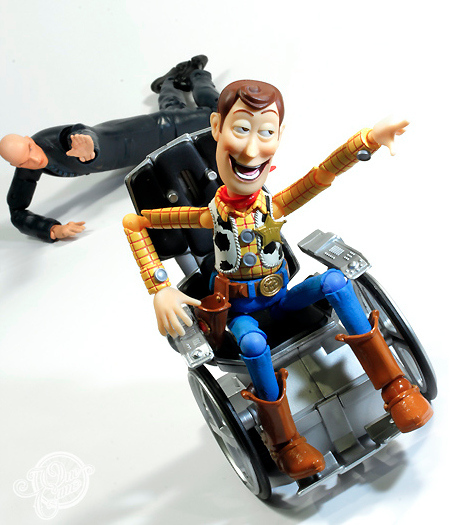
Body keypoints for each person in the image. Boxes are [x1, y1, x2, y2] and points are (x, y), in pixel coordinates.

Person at [123, 80, 433, 480]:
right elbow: (135, 223)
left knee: (336, 282)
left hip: (283, 297)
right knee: (254, 344)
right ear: (216, 128)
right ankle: (285, 442)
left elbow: (321, 174)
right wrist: (160, 287)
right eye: (241, 130)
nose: (252, 150)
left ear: (279, 136)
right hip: (241, 312)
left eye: (266, 133)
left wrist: (367, 140)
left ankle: (396, 388)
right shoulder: (206, 216)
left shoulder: (273, 205)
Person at [0, 55, 219, 242]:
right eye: (24, 161)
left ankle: (197, 73)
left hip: (152, 131)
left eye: (31, 150)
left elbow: (78, 131)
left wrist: (89, 147)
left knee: (218, 112)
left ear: (29, 141)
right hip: (148, 146)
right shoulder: (27, 165)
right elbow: (17, 212)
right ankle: (169, 82)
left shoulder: (50, 140)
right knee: (174, 110)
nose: (35, 160)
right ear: (14, 164)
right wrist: (53, 229)